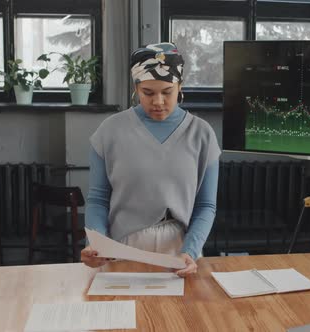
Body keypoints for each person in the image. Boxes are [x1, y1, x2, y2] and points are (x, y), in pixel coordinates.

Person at [81, 42, 221, 277]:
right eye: (148, 93)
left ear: (180, 87)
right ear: (136, 88)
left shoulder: (202, 134)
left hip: (181, 251)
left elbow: (206, 205)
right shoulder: (110, 132)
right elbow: (98, 199)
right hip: (122, 248)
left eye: (167, 92)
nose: (158, 102)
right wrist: (96, 243)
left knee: (181, 314)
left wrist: (192, 249)